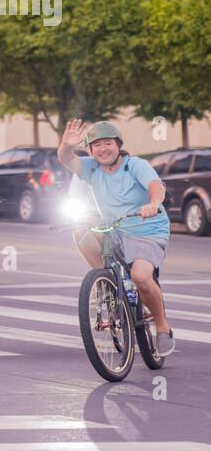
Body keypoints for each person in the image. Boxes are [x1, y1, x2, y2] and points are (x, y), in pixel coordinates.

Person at [58, 119, 173, 352]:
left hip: (146, 229)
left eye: (108, 143)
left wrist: (153, 203)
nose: (102, 149)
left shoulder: (135, 165)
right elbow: (66, 159)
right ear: (90, 150)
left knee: (141, 277)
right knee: (79, 228)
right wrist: (66, 145)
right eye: (96, 145)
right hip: (115, 229)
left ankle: (162, 326)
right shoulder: (91, 168)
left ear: (118, 145)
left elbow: (156, 186)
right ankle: (105, 281)